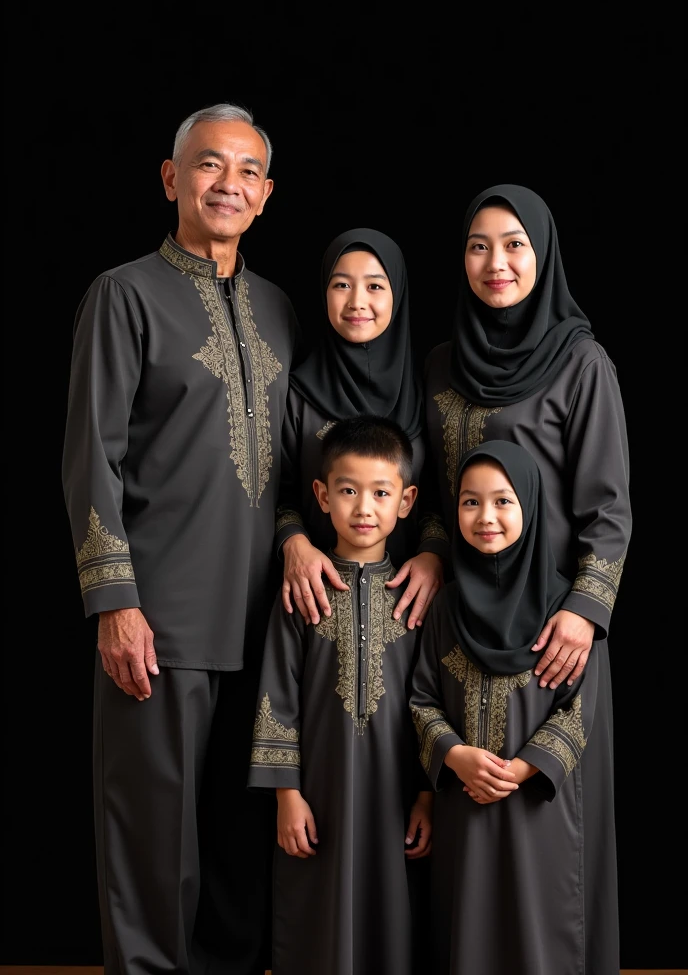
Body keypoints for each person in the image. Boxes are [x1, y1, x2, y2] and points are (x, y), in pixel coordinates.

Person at [61, 103, 300, 974]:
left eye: (245, 172)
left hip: (265, 627)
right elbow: (93, 458)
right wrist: (115, 604)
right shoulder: (124, 294)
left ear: (266, 195)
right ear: (172, 179)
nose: (226, 184)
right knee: (155, 846)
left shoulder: (278, 308)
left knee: (240, 845)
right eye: (208, 166)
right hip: (159, 623)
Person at [424, 183, 631, 973]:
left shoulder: (582, 363)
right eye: (479, 245)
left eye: (514, 244)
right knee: (471, 852)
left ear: (542, 255)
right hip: (461, 637)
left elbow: (610, 509)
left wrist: (584, 611)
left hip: (554, 641)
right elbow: (442, 498)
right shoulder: (443, 365)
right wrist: (435, 551)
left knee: (555, 849)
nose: (497, 262)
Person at [410, 440, 607, 975]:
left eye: (503, 501)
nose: (485, 517)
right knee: (467, 932)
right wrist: (455, 757)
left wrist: (520, 770)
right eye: (470, 502)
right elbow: (422, 697)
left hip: (539, 805)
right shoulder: (446, 606)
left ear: (531, 506)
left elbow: (581, 709)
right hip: (464, 806)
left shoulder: (562, 608)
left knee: (540, 931)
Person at [248, 415, 433, 975]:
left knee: (394, 914)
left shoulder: (420, 600)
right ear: (322, 496)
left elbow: (431, 701)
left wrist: (427, 795)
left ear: (407, 501)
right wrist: (286, 795)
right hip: (318, 794)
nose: (364, 508)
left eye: (381, 492)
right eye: (348, 491)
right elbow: (276, 693)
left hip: (394, 792)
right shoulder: (302, 592)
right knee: (315, 918)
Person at [276, 228, 449, 634]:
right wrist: (293, 543)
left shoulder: (426, 392)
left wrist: (433, 554)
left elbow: (440, 496)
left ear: (398, 295)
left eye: (375, 286)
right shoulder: (297, 392)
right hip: (312, 603)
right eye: (341, 285)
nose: (357, 302)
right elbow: (277, 492)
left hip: (411, 603)